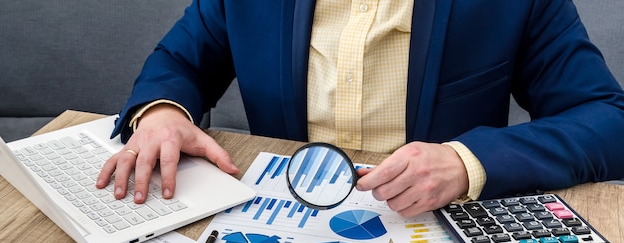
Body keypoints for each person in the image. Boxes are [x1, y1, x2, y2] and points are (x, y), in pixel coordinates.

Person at [96, 0, 624, 218]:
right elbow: (180, 62)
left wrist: (468, 161)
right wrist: (163, 113)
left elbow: (607, 119)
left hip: (436, 231)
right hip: (276, 226)